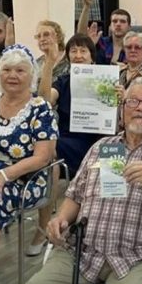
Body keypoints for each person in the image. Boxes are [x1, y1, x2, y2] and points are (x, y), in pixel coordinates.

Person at [22, 78, 142, 284]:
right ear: (121, 112)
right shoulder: (100, 147)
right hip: (82, 253)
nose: (140, 108)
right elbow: (75, 196)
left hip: (136, 258)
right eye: (132, 101)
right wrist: (60, 219)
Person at [0, 44, 58, 284]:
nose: (12, 75)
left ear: (32, 76)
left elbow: (43, 157)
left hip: (23, 176)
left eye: (20, 70)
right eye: (7, 70)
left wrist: (4, 174)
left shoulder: (40, 109)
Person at [27, 34, 106, 256]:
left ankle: (75, 226)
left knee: (49, 152)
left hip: (98, 143)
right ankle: (47, 226)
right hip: (65, 143)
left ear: (92, 57)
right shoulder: (63, 81)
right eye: (74, 51)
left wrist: (118, 99)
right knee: (50, 159)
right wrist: (49, 62)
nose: (78, 55)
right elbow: (44, 101)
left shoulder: (106, 80)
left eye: (83, 51)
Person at [76, 0, 132, 65]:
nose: (118, 24)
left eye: (122, 21)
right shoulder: (101, 42)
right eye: (114, 21)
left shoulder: (133, 47)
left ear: (129, 27)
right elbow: (80, 35)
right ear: (110, 26)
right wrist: (86, 7)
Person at [34, 20, 69, 85]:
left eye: (46, 35)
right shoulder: (36, 64)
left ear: (58, 37)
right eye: (39, 36)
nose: (42, 39)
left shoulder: (69, 60)